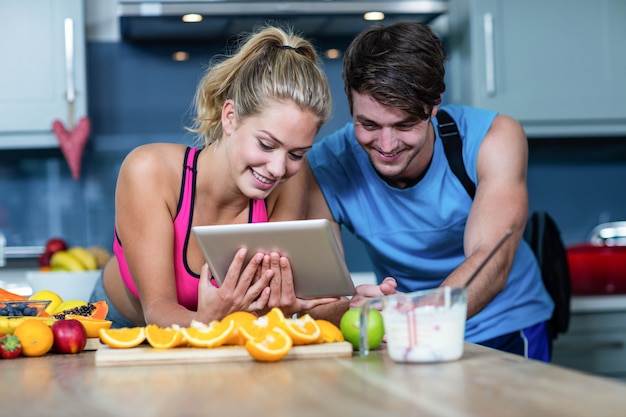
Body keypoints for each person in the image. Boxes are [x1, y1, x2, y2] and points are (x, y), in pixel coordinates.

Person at [305, 22, 554, 361]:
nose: (387, 145)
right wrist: (356, 307)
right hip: (401, 336)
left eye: (405, 124)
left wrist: (410, 314)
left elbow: (490, 263)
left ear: (435, 104)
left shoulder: (492, 139)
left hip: (502, 328)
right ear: (350, 103)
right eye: (369, 125)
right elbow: (320, 304)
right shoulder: (324, 168)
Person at [90, 25, 339, 329]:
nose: (278, 168)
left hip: (217, 331)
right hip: (119, 324)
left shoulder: (289, 179)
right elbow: (156, 311)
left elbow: (268, 311)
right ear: (230, 117)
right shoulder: (149, 171)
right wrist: (211, 320)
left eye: (297, 154)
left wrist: (349, 305)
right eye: (266, 144)